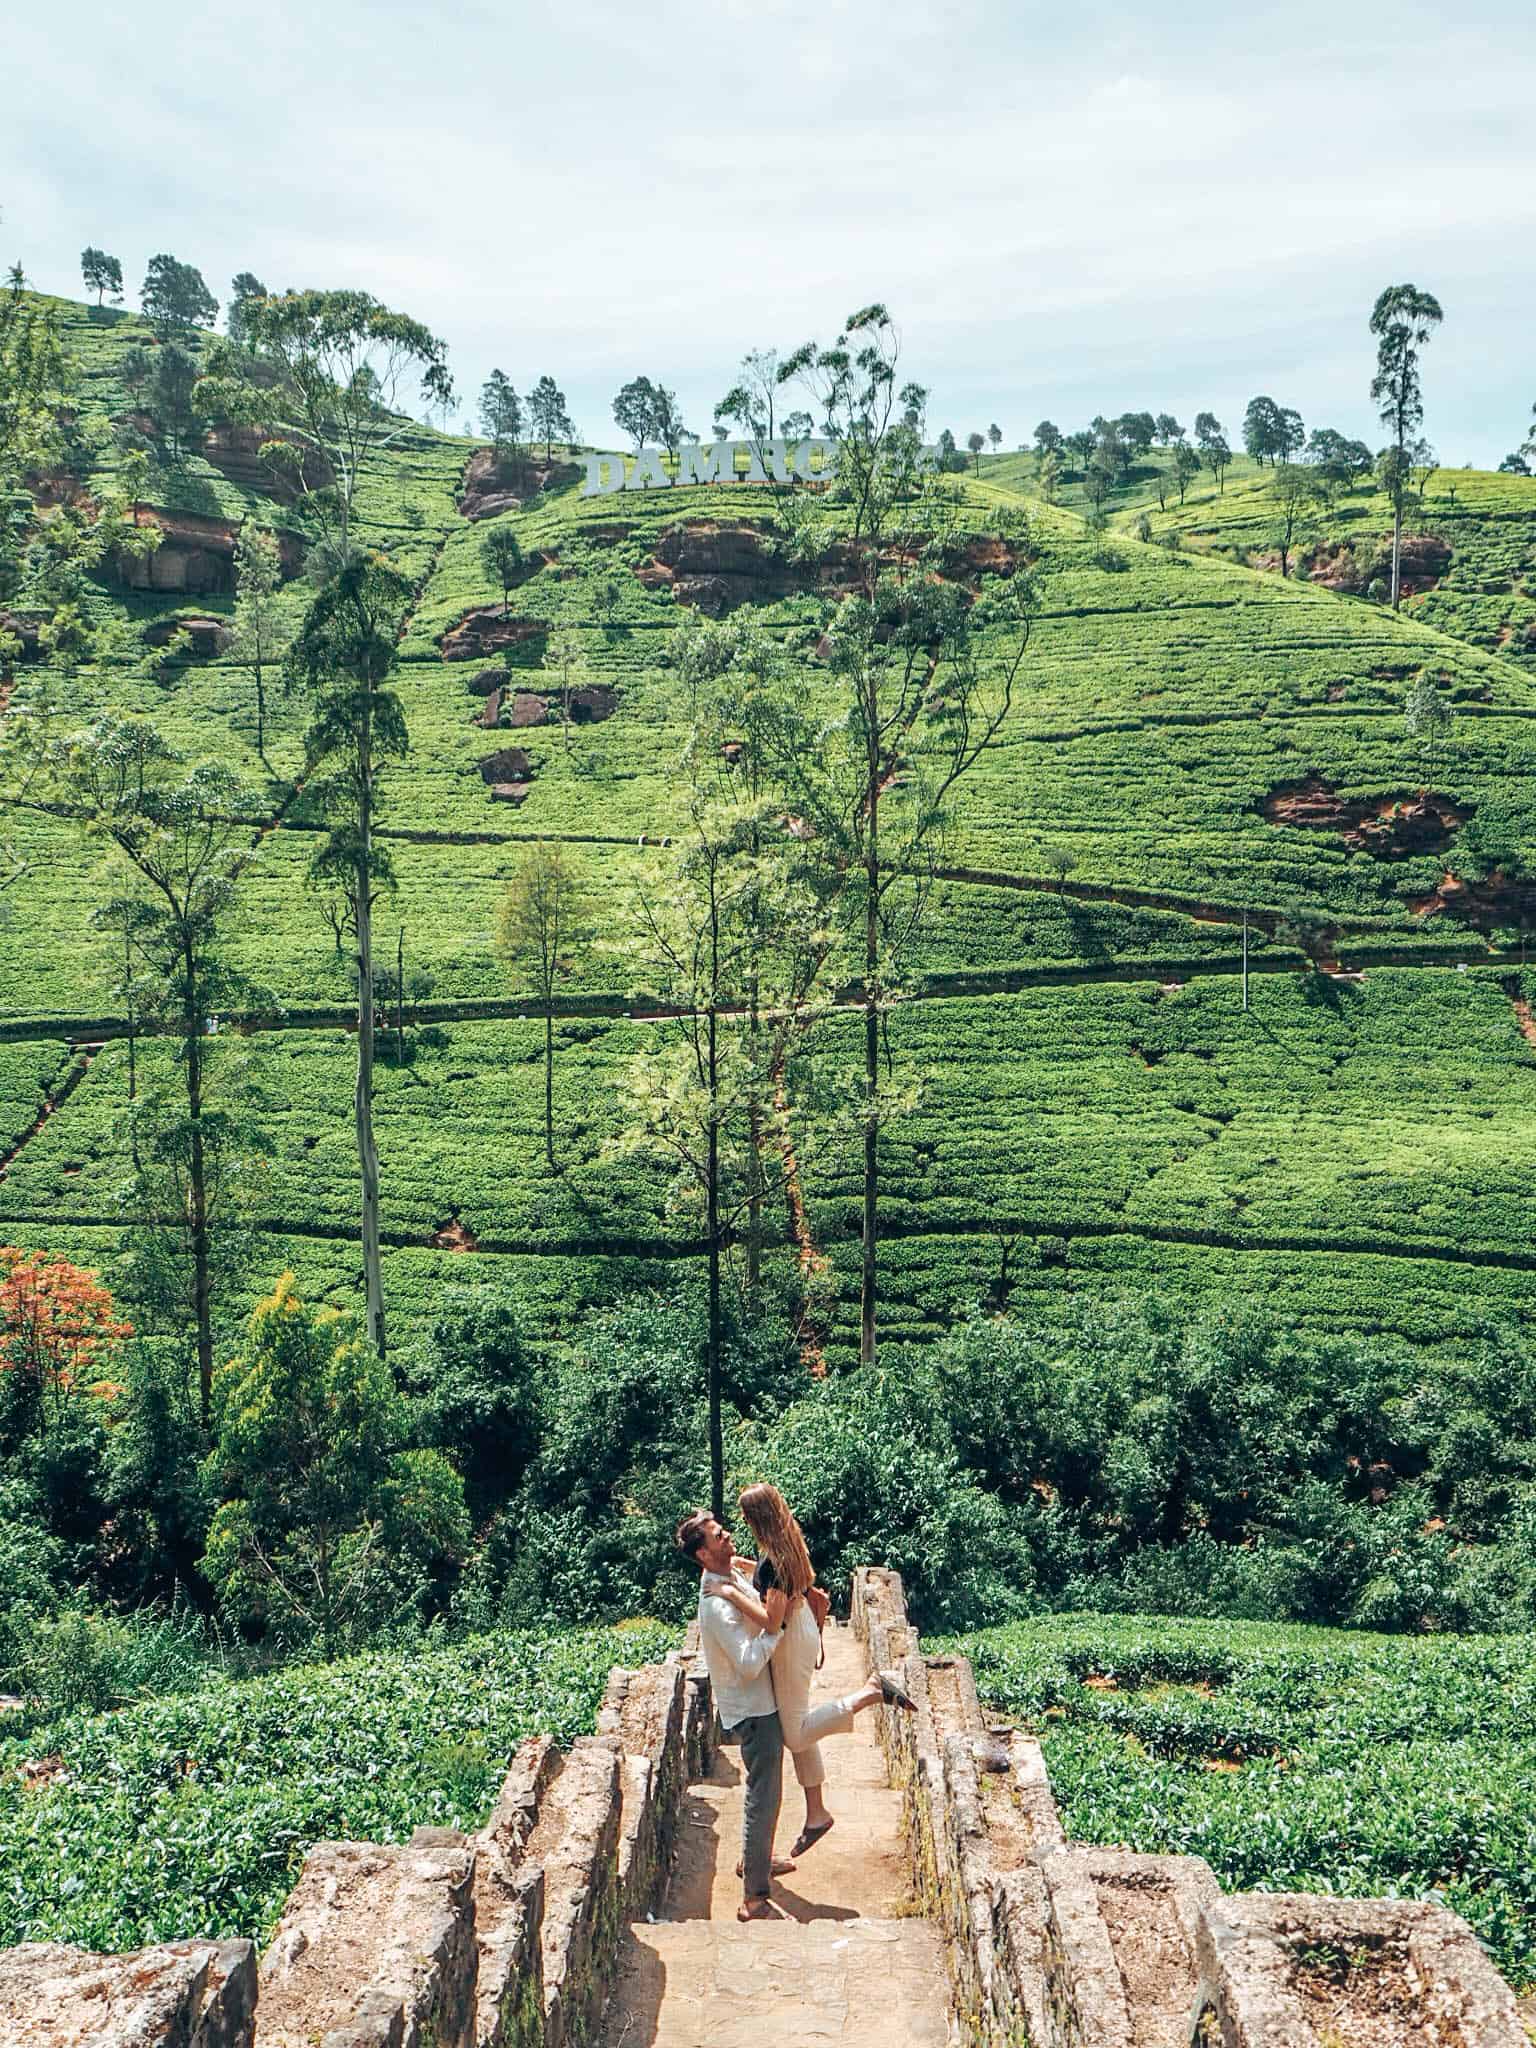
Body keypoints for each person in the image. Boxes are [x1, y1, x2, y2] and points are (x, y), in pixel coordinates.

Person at [712, 1482, 914, 1860]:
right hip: (800, 1632)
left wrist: (732, 1594)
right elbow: (781, 1583)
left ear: (758, 1517)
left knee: (797, 1734)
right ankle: (817, 1813)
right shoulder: (784, 1544)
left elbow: (772, 1622)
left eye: (745, 1514)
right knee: (798, 1722)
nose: (740, 1521)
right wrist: (747, 1569)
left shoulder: (773, 1560)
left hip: (788, 1643)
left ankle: (870, 1692)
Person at [675, 1507, 796, 1921]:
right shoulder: (716, 1606)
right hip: (754, 1708)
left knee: (767, 1791)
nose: (727, 1538)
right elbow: (747, 1662)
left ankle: (756, 1860)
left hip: (759, 1702)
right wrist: (775, 1630)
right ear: (704, 1555)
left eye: (724, 1531)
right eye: (718, 1536)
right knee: (764, 1796)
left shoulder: (727, 1579)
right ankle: (753, 1897)